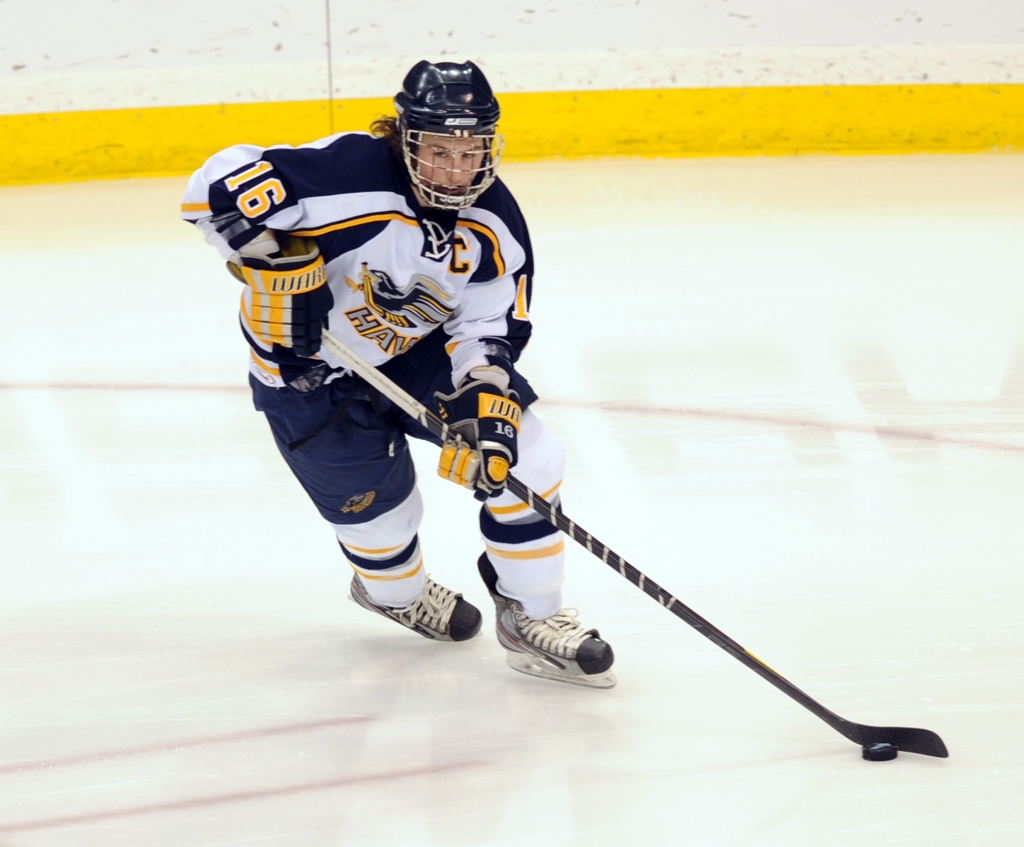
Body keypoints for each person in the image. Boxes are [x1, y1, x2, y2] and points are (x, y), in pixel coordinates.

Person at [180, 60, 615, 688]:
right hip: (301, 372)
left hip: (414, 358)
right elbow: (209, 188)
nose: (456, 170)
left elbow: (487, 327)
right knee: (382, 524)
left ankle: (532, 615)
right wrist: (262, 251)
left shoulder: (495, 222)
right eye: (439, 150)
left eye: (472, 152)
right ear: (405, 139)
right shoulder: (345, 174)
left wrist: (484, 393)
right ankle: (393, 593)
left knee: (527, 455)